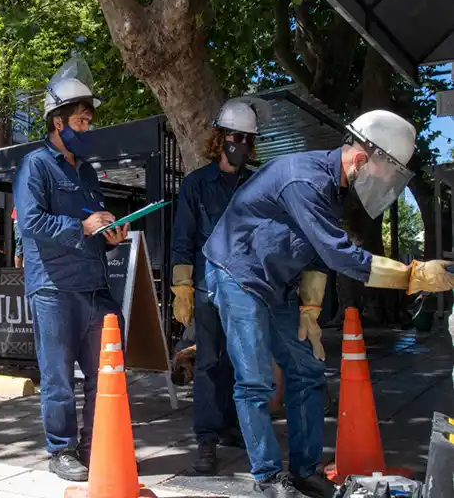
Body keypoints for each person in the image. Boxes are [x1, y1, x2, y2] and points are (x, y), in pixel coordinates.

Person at [202, 109, 454, 498]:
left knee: (307, 374)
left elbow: (317, 254)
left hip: (274, 282)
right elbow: (341, 256)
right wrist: (411, 274)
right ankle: (268, 477)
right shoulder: (305, 180)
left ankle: (304, 470)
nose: (384, 185)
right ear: (362, 159)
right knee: (255, 381)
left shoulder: (334, 190)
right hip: (237, 273)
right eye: (385, 175)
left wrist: (310, 311)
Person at [14, 56, 129, 482]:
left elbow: (94, 221)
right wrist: (81, 226)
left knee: (104, 371)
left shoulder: (89, 174)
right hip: (54, 287)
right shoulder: (35, 166)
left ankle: (93, 445)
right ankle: (61, 451)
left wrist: (110, 231)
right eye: (81, 122)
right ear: (57, 122)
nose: (87, 130)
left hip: (93, 284)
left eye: (88, 123)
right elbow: (31, 223)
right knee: (58, 376)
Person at [170, 96, 271, 473]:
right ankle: (207, 439)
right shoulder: (197, 185)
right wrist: (182, 287)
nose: (241, 144)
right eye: (235, 136)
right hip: (209, 287)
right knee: (210, 361)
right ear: (220, 138)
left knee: (242, 360)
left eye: (247, 138)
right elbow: (183, 236)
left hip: (247, 286)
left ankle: (233, 427)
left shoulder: (257, 183)